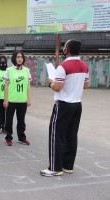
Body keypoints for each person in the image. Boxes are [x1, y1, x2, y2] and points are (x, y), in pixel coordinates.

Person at [40, 40, 89, 177]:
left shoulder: (63, 66)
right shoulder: (84, 66)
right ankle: (68, 165)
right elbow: (85, 86)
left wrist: (51, 83)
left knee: (57, 135)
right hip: (77, 104)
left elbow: (58, 87)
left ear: (66, 49)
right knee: (71, 135)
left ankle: (55, 167)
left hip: (63, 104)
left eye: (64, 47)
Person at [3, 51, 32, 146]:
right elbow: (6, 86)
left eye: (21, 57)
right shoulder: (9, 70)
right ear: (14, 58)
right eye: (18, 57)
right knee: (9, 120)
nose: (19, 59)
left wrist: (29, 98)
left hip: (22, 100)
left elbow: (28, 86)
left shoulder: (27, 70)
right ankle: (8, 137)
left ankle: (21, 137)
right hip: (11, 100)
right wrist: (5, 99)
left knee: (21, 120)